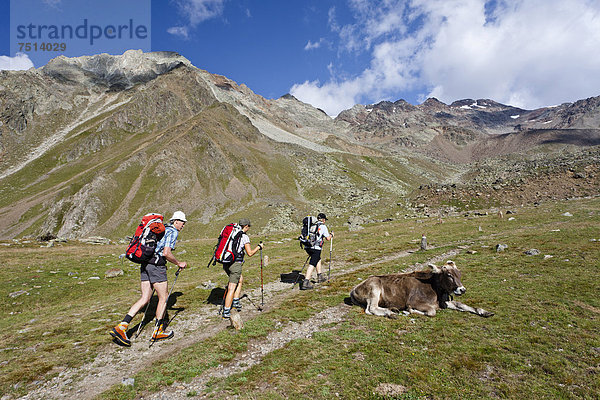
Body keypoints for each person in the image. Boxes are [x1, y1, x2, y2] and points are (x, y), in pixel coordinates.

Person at [110, 211, 188, 346]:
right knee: (163, 298)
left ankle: (122, 327)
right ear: (176, 221)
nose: (183, 225)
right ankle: (158, 331)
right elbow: (166, 253)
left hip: (146, 264)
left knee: (145, 298)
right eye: (182, 222)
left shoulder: (161, 229)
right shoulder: (172, 232)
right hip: (157, 266)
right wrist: (179, 263)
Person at [221, 218, 263, 319]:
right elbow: (250, 253)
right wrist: (259, 247)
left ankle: (235, 301)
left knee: (240, 280)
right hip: (235, 264)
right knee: (231, 287)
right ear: (246, 226)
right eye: (248, 227)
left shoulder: (232, 234)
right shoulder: (244, 237)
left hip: (226, 262)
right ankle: (226, 311)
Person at [300, 213, 333, 290]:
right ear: (323, 220)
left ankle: (319, 276)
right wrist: (332, 235)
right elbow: (328, 238)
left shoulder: (311, 225)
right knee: (312, 263)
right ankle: (306, 282)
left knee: (318, 259)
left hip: (307, 246)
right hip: (316, 247)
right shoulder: (322, 226)